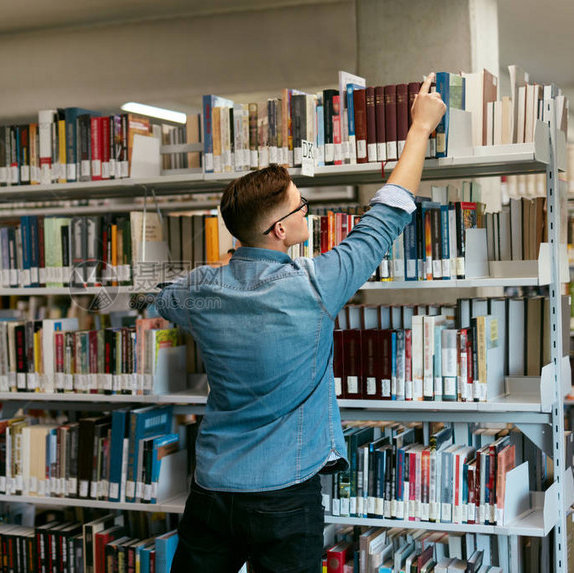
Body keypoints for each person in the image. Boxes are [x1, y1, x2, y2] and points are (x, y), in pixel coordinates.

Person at [155, 74, 446, 573]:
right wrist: (419, 129)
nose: (307, 211)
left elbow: (156, 297)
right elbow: (389, 214)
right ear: (281, 229)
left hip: (213, 488)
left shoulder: (201, 289)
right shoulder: (316, 285)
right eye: (301, 206)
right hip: (285, 495)